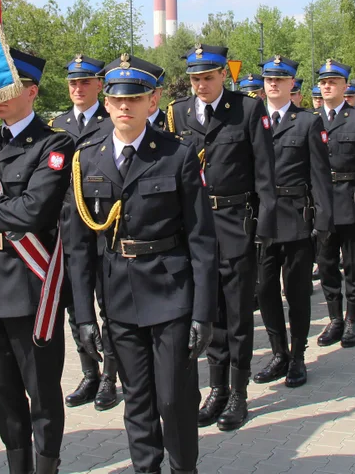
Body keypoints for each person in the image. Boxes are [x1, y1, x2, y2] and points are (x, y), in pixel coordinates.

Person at [67, 54, 217, 474]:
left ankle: (183, 467)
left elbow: (203, 240)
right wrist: (82, 316)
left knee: (173, 397)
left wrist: (203, 313)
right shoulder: (88, 159)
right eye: (117, 98)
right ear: (107, 103)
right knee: (137, 400)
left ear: (153, 102)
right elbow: (78, 247)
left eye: (135, 98)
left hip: (170, 293)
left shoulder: (177, 155)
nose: (125, 106)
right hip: (119, 296)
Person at [0, 49, 74, 474]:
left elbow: (33, 210)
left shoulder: (54, 144)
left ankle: (46, 465)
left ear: (32, 91)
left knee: (40, 391)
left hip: (30, 285)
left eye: (10, 86)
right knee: (1, 391)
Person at [166, 43, 276, 432]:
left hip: (235, 223)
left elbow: (265, 174)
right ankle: (215, 389)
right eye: (195, 78)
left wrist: (264, 229)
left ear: (223, 76)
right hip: (196, 229)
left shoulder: (246, 109)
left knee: (238, 314)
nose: (200, 85)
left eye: (208, 77)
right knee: (207, 312)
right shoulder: (178, 114)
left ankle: (238, 392)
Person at [253, 56, 332, 389]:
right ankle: (278, 353)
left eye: (280, 79)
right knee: (264, 290)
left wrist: (324, 220)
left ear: (291, 84)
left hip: (296, 217)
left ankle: (298, 356)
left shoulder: (307, 123)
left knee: (297, 292)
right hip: (261, 220)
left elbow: (320, 177)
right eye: (269, 79)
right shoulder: (253, 121)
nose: (273, 84)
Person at [48, 54, 120, 412]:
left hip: (105, 226)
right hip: (68, 231)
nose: (78, 88)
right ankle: (89, 371)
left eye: (85, 82)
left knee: (110, 304)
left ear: (99, 86)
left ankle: (110, 375)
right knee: (77, 307)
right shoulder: (56, 125)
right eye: (73, 83)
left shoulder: (112, 124)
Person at [314, 59, 355, 349]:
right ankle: (334, 319)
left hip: (350, 201)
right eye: (323, 82)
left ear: (344, 86)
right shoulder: (310, 120)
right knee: (327, 265)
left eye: (333, 82)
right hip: (321, 204)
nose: (327, 86)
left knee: (353, 266)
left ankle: (351, 319)